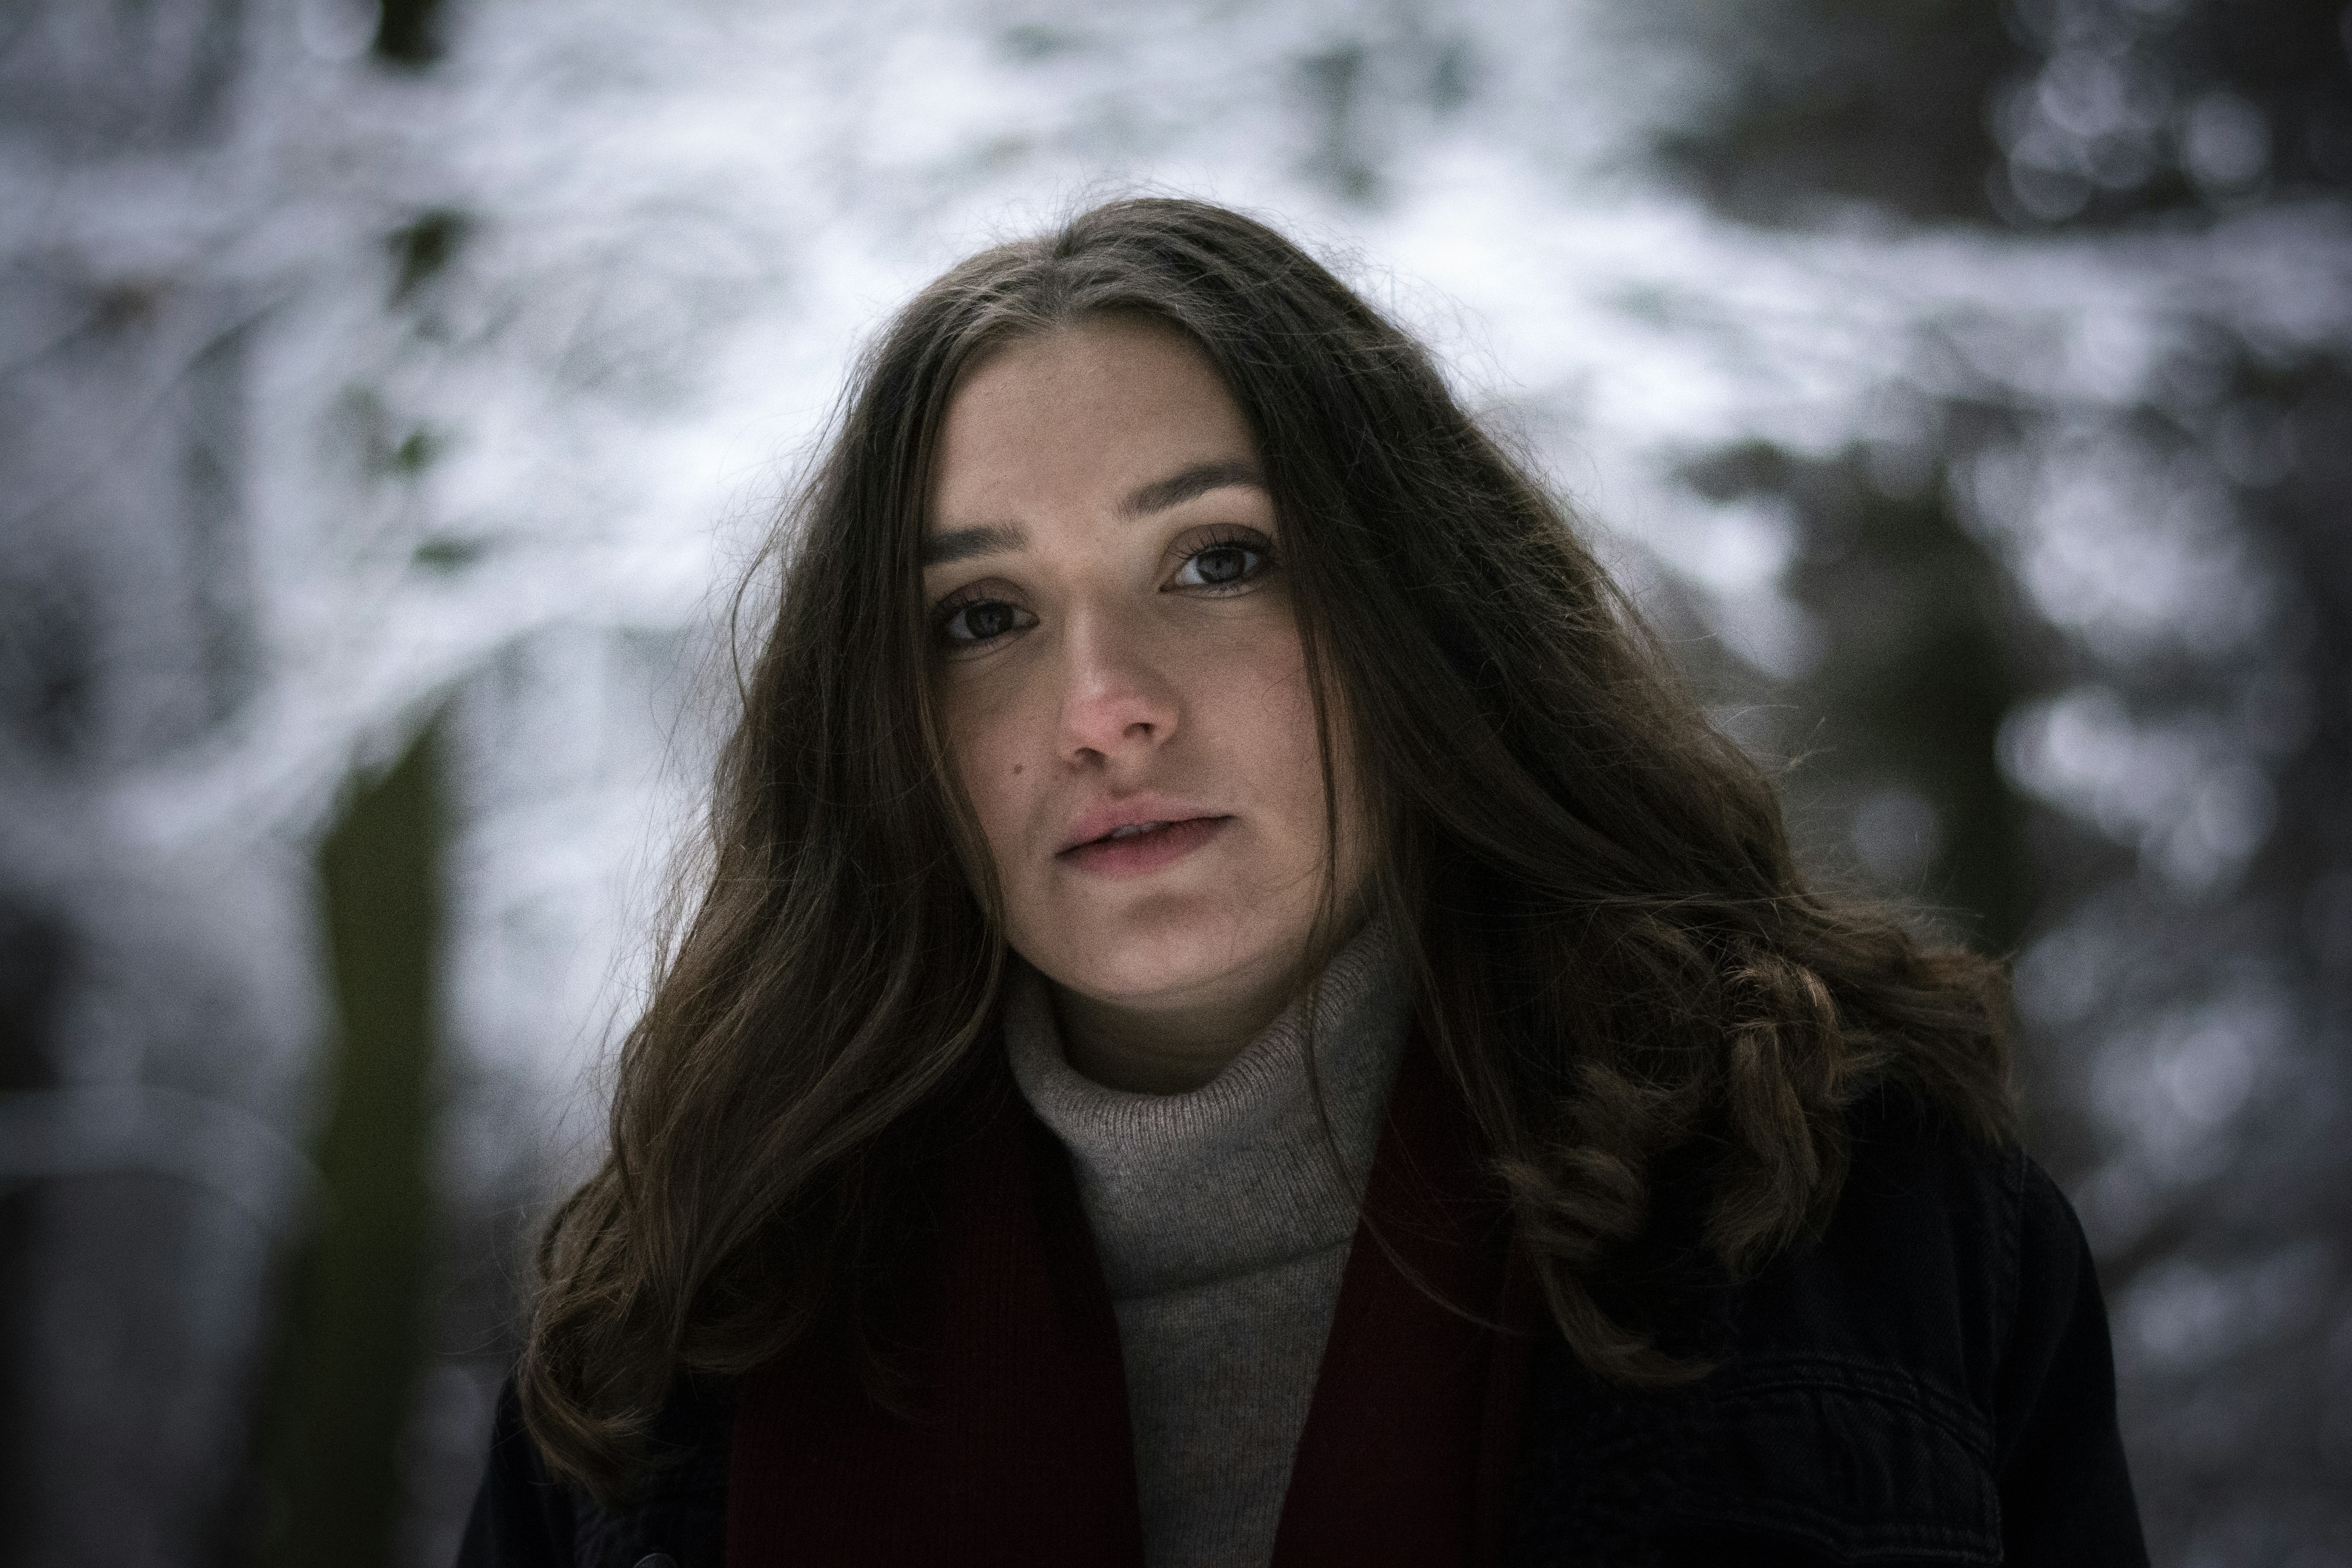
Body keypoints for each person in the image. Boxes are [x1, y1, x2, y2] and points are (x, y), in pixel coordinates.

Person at [457, 198, 2146, 1568]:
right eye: (984, 616)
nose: (1104, 704)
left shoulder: (1861, 1214)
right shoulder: (669, 1341)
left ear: (1416, 614)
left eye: (1218, 561)